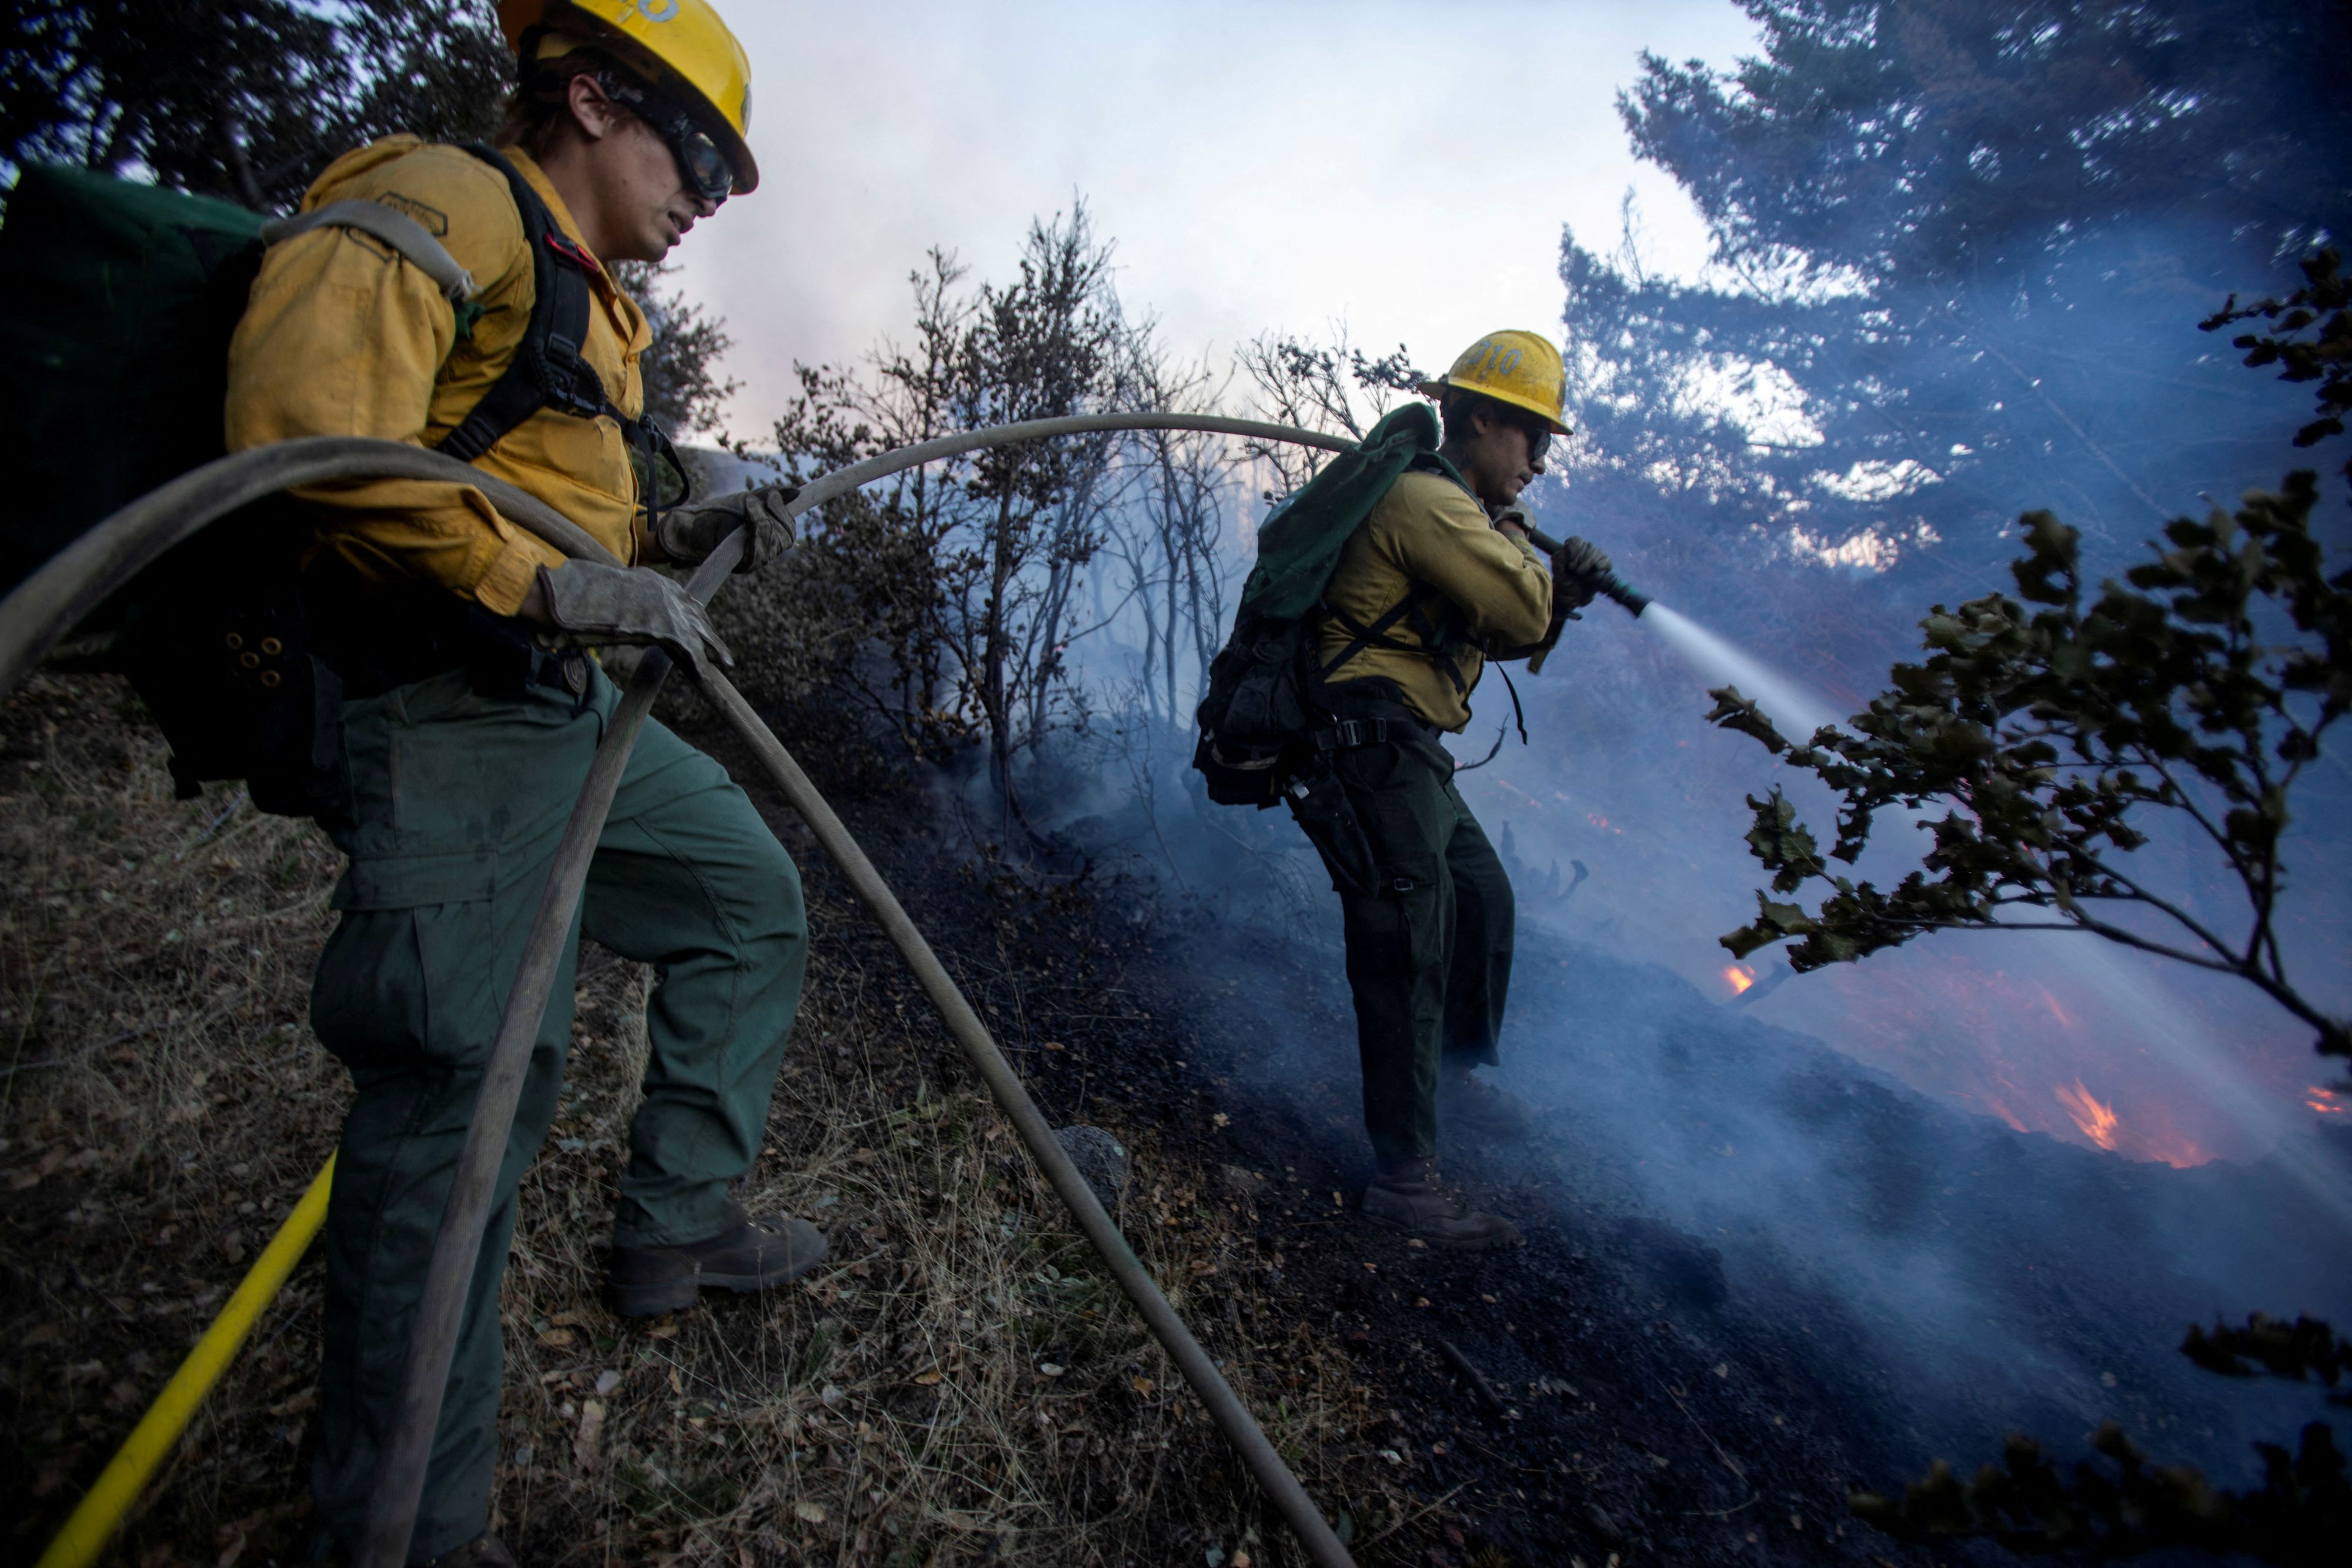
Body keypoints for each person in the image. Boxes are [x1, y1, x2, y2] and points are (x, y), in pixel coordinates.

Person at [223, 2, 816, 1560]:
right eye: (700, 153)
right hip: (441, 705)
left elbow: (560, 510)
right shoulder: (445, 198)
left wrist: (674, 525)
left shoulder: (598, 305)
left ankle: (677, 1227)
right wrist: (549, 588)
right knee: (471, 1096)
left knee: (748, 897)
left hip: (562, 709)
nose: (710, 197)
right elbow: (300, 435)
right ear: (591, 95)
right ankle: (407, 1520)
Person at [1302, 330, 1614, 1251]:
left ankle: (1453, 1079)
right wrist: (1527, 553)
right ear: (1481, 419)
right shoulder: (1429, 502)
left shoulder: (1463, 513)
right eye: (1532, 441)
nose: (1541, 464)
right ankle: (1405, 1182)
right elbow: (1519, 608)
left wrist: (1569, 594)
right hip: (1370, 745)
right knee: (1409, 940)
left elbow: (1515, 633)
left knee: (1483, 898)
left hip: (1413, 751)